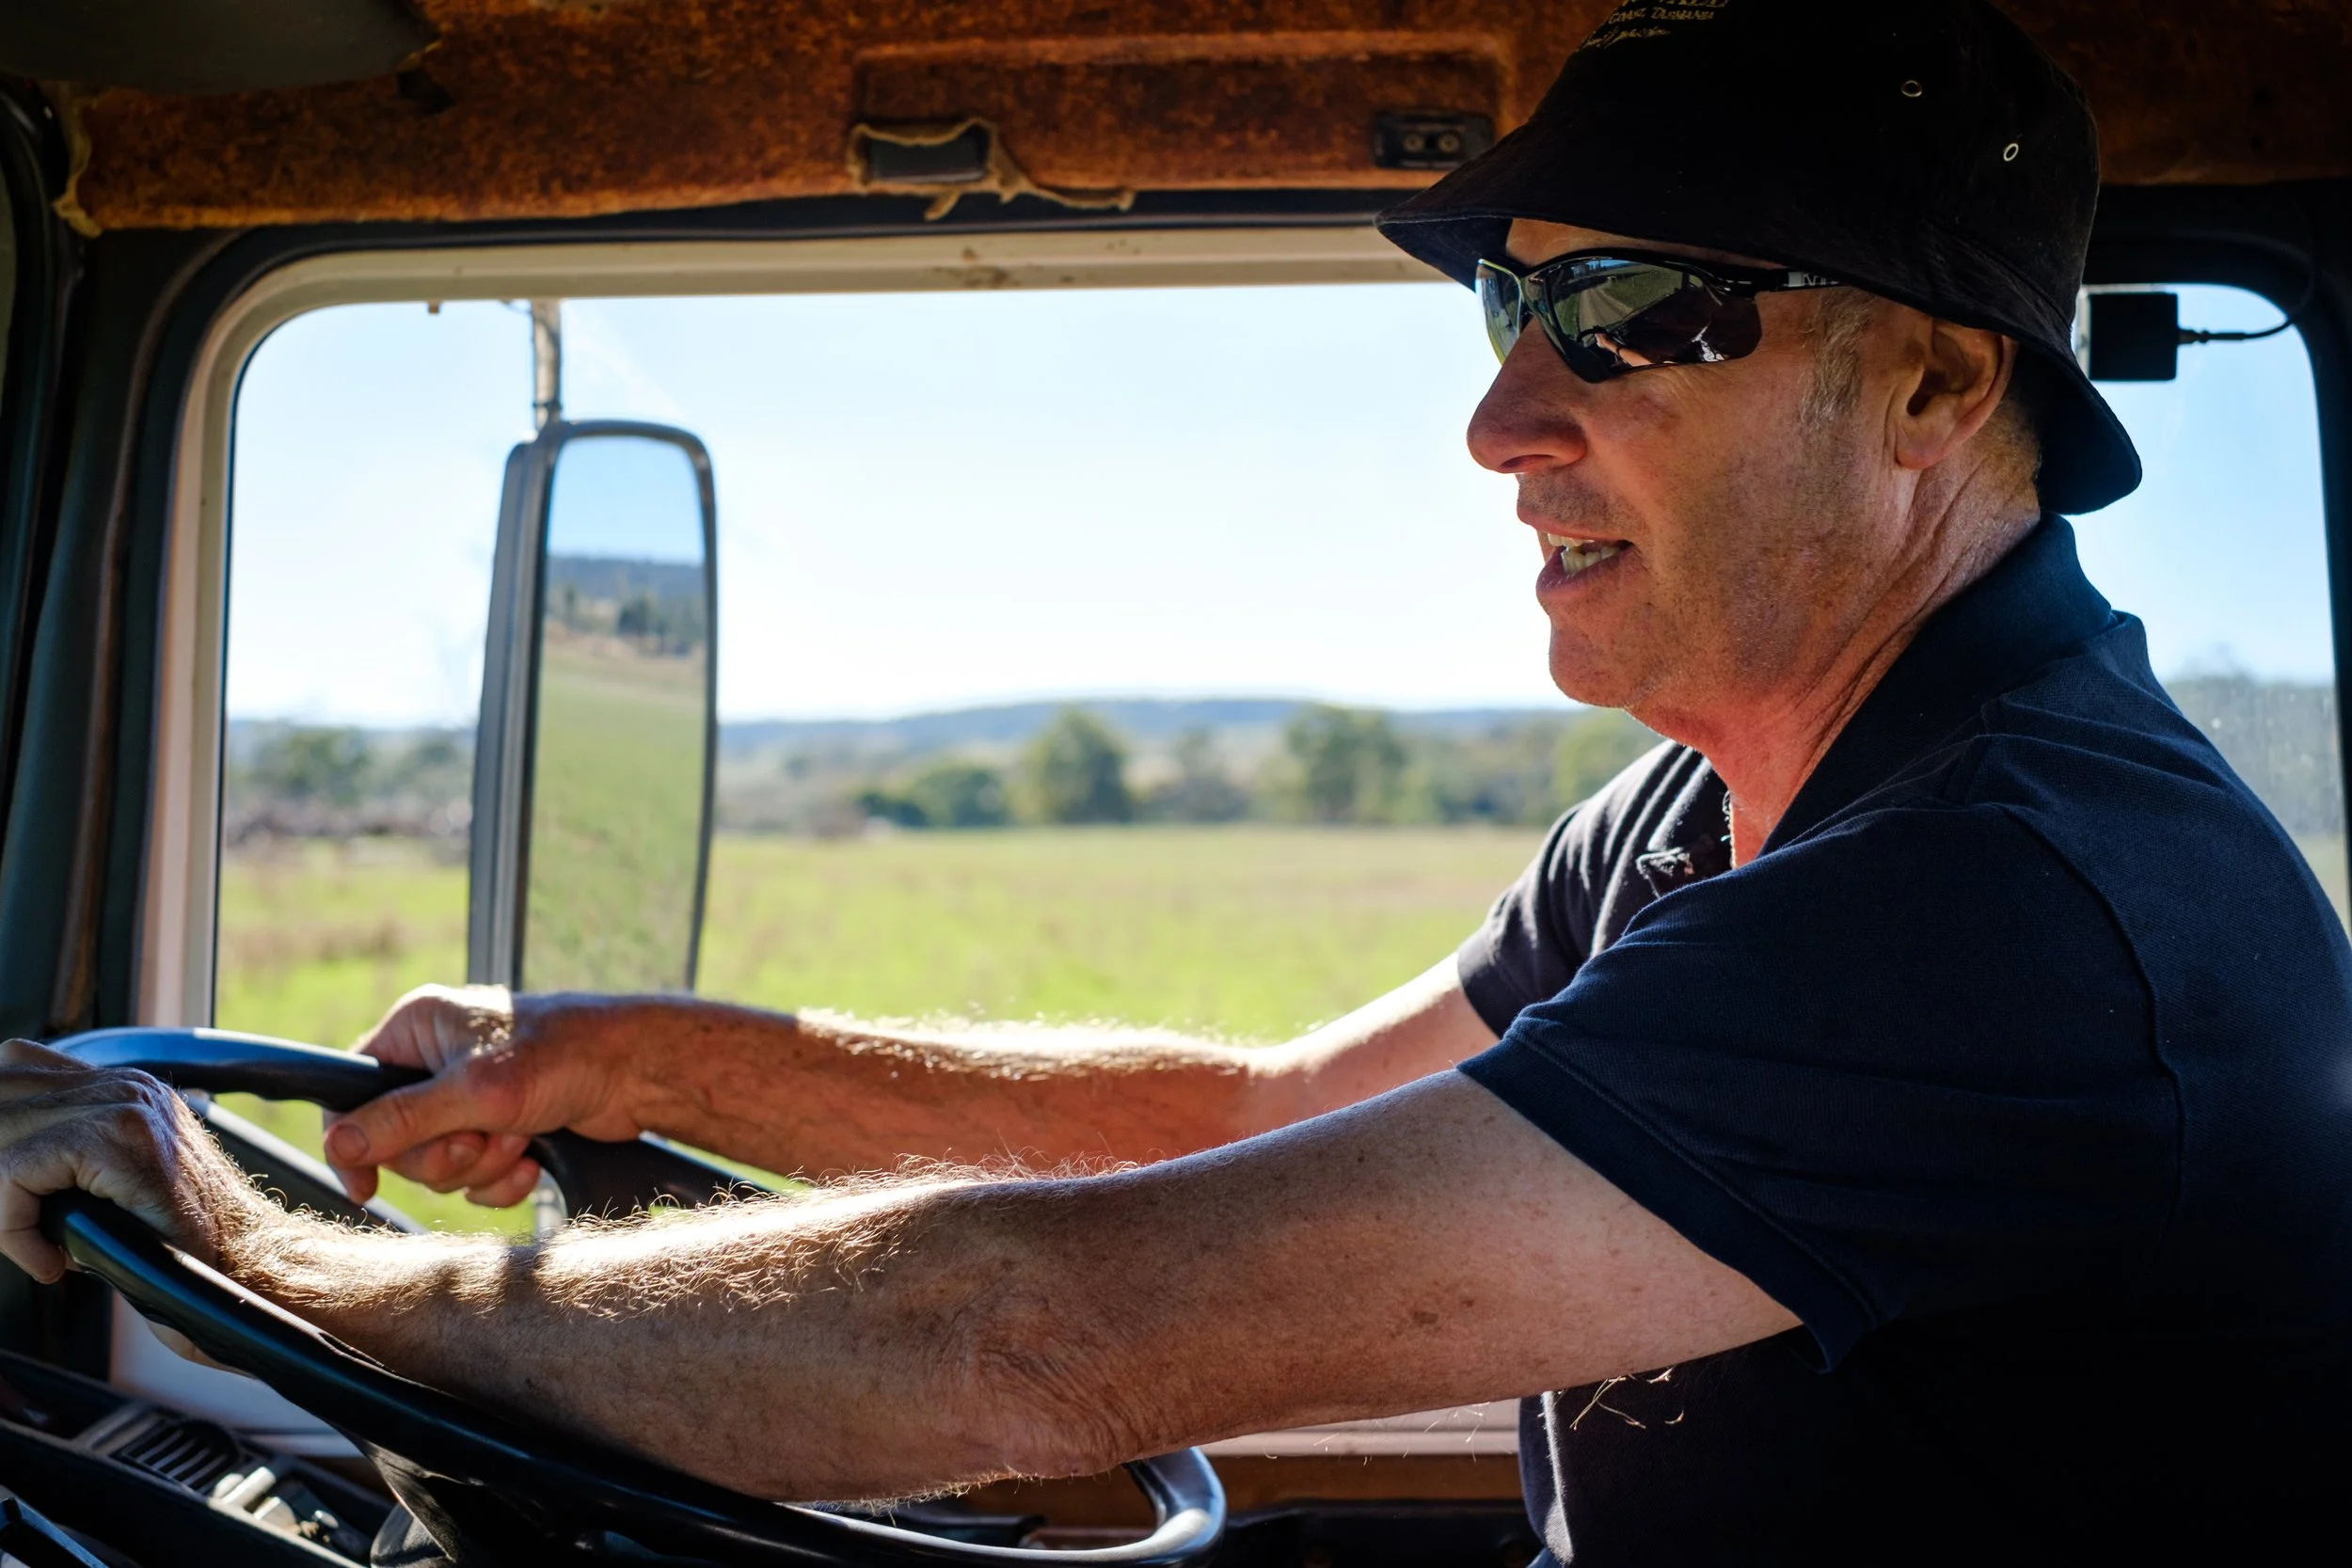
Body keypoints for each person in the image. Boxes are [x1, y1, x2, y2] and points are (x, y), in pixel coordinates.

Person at [4, 0, 2347, 1560]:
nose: (1503, 418)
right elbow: (1246, 1125)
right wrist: (633, 1056)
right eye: (1502, 304)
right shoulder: (1719, 813)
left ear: (1939, 388)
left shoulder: (2011, 903)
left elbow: (1053, 1328)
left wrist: (242, 1249)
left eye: (1631, 309)